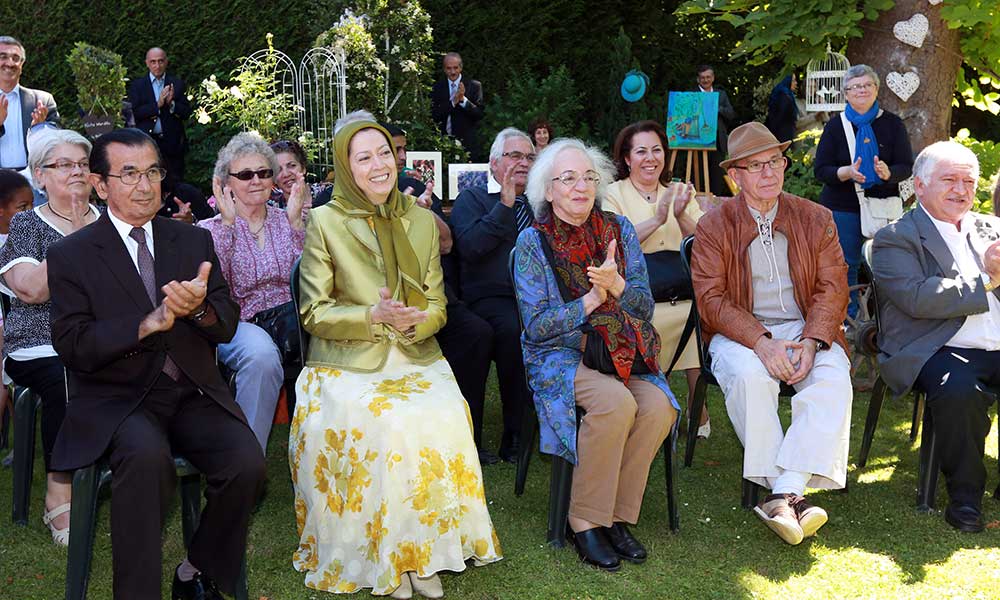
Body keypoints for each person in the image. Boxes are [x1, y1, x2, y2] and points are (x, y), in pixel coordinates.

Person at [47, 128, 264, 599]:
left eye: (152, 172)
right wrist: (147, 323)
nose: (145, 186)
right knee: (146, 460)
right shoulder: (72, 255)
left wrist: (199, 310)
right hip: (118, 398)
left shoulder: (191, 242)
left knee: (247, 462)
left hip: (191, 391)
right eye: (129, 174)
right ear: (101, 185)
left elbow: (225, 324)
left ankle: (195, 570)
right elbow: (72, 343)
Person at [291, 119, 500, 598]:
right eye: (362, 158)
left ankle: (422, 553)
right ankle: (390, 556)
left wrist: (413, 323)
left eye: (383, 153)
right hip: (344, 361)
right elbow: (314, 312)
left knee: (444, 413)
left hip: (413, 353)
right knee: (388, 423)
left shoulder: (423, 220)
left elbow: (438, 305)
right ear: (346, 167)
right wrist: (373, 315)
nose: (378, 165)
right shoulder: (325, 221)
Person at [513, 138, 678, 571]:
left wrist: (617, 287)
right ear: (548, 191)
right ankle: (584, 518)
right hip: (559, 354)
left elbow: (643, 304)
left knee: (659, 406)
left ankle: (616, 517)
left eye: (588, 177)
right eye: (567, 179)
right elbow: (538, 326)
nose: (580, 186)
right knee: (615, 402)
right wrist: (590, 300)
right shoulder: (534, 243)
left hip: (619, 347)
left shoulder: (619, 230)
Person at [690, 122, 852, 545]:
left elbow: (833, 287)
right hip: (740, 329)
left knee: (833, 375)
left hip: (805, 326)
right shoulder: (713, 225)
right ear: (735, 176)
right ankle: (793, 489)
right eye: (756, 165)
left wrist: (815, 341)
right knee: (749, 377)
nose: (770, 173)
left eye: (776, 161)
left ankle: (783, 492)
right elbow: (711, 300)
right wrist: (761, 342)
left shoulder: (816, 218)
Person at [872, 141, 1000, 533]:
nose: (961, 190)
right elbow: (916, 297)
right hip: (936, 347)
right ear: (919, 185)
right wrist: (989, 278)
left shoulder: (990, 228)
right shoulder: (896, 237)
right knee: (960, 389)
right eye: (949, 180)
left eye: (969, 181)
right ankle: (965, 500)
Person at [0, 129, 98, 546]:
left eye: (82, 163)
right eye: (64, 165)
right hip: (40, 342)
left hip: (103, 337)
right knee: (67, 373)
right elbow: (30, 290)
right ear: (40, 176)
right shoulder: (27, 224)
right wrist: (76, 240)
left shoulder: (114, 220)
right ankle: (60, 486)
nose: (76, 171)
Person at [382, 121, 497, 463]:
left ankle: (468, 436)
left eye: (403, 149)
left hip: (434, 293)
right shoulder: (357, 193)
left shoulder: (414, 185)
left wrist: (420, 215)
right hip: (386, 298)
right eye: (394, 149)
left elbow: (446, 244)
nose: (401, 156)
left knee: (478, 334)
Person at [198, 132, 306, 451]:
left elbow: (308, 278)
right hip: (240, 324)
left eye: (264, 172)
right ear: (225, 183)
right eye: (245, 174)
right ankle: (246, 459)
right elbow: (218, 287)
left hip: (291, 323)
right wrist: (229, 227)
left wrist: (297, 221)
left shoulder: (289, 219)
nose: (256, 180)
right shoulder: (209, 230)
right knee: (260, 356)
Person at [604, 120, 706, 436]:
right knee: (647, 320)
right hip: (635, 297)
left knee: (697, 322)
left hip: (681, 291)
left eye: (657, 150)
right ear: (626, 158)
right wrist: (659, 218)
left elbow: (704, 241)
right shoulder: (612, 194)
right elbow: (615, 243)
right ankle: (650, 402)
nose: (650, 158)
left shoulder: (679, 192)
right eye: (641, 151)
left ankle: (697, 406)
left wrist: (680, 215)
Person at [450, 127, 536, 462]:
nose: (524, 162)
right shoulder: (473, 198)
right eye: (515, 156)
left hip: (535, 299)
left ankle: (525, 429)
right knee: (513, 331)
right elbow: (470, 248)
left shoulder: (543, 203)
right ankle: (512, 435)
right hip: (489, 298)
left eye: (529, 157)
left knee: (530, 326)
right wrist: (505, 204)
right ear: (494, 164)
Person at [814, 64, 913, 318]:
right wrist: (846, 173)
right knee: (844, 265)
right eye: (855, 87)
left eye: (867, 85)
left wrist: (888, 173)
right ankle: (847, 322)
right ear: (846, 93)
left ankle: (888, 319)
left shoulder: (892, 124)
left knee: (887, 264)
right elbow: (821, 170)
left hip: (883, 207)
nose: (861, 90)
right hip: (842, 207)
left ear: (876, 89)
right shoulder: (836, 127)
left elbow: (906, 166)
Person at [128, 47, 192, 179]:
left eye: (160, 61)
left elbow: (186, 112)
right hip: (147, 141)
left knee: (175, 181)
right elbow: (135, 113)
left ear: (166, 62)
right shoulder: (138, 85)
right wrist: (157, 105)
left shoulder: (176, 83)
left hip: (172, 144)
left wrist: (171, 104)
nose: (157, 65)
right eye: (153, 62)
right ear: (147, 63)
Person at [0, 36, 59, 171]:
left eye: (15, 58)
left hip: (32, 181)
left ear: (22, 65)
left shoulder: (43, 100)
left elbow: (55, 147)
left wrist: (39, 130)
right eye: (3, 57)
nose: (10, 63)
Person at [431, 52, 484, 160]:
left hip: (467, 144)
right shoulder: (437, 87)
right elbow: (434, 115)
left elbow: (479, 114)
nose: (453, 72)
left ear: (461, 67)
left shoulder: (474, 86)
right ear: (444, 69)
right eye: (449, 68)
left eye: (455, 68)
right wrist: (453, 102)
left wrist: (463, 100)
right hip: (443, 142)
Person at [695, 64, 737, 196]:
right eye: (702, 78)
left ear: (713, 78)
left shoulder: (721, 95)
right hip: (697, 143)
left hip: (718, 142)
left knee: (717, 176)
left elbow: (731, 114)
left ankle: (716, 206)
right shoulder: (692, 95)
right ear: (698, 79)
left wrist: (717, 109)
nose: (705, 80)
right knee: (699, 175)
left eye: (708, 77)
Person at [270, 139, 330, 209]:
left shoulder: (327, 194)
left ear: (303, 168)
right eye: (278, 169)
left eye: (292, 166)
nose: (286, 174)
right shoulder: (271, 208)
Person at [764, 75, 799, 145]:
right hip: (782, 135)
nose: (796, 83)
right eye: (793, 80)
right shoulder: (784, 97)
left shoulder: (785, 94)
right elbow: (781, 118)